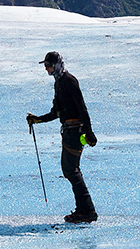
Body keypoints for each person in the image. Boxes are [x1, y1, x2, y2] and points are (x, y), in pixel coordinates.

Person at [26, 51, 98, 224]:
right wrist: (38, 119)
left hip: (76, 132)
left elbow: (82, 108)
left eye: (49, 66)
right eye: (45, 66)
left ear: (58, 64)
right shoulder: (59, 84)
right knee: (70, 170)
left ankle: (88, 210)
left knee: (70, 170)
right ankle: (83, 210)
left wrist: (89, 132)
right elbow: (56, 113)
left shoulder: (69, 81)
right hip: (69, 131)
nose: (47, 69)